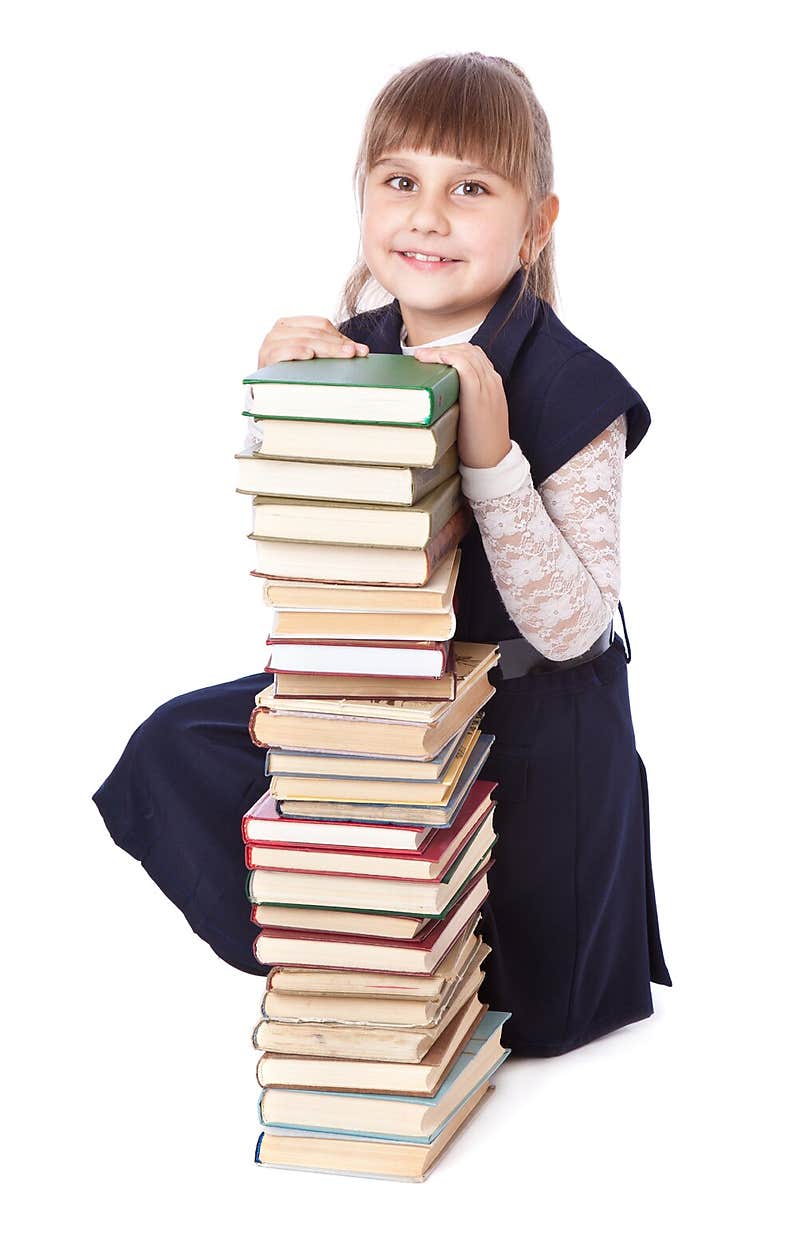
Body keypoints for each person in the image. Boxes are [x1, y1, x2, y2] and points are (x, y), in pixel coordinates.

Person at [92, 51, 671, 1057]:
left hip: (530, 715)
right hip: (385, 689)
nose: (428, 216)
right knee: (175, 748)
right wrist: (278, 411)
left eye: (471, 189)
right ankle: (334, 938)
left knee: (509, 1005)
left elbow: (574, 627)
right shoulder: (349, 347)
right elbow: (306, 549)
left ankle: (425, 944)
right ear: (363, 199)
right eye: (400, 181)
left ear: (535, 224)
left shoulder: (578, 389)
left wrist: (492, 454)